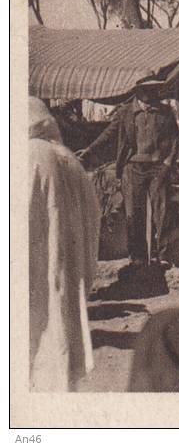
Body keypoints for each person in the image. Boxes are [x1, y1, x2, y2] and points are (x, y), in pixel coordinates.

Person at [29, 98, 102, 391]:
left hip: (31, 265)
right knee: (59, 341)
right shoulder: (67, 157)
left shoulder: (29, 156)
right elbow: (93, 216)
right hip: (67, 268)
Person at [77, 76, 179, 267]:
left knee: (162, 210)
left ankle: (162, 255)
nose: (152, 93)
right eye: (147, 90)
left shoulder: (166, 112)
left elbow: (175, 139)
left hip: (159, 168)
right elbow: (108, 133)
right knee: (134, 212)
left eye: (155, 89)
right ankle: (137, 257)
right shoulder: (126, 112)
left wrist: (167, 163)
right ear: (138, 91)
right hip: (132, 167)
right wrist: (89, 150)